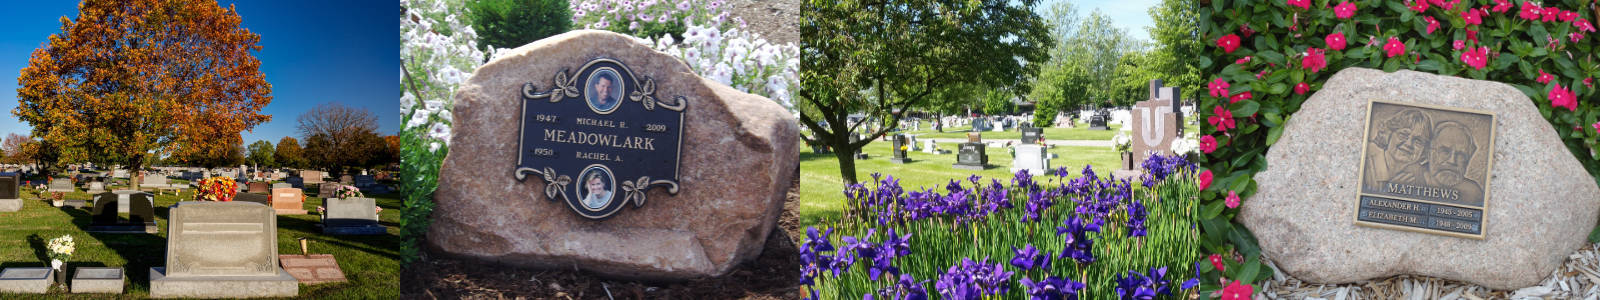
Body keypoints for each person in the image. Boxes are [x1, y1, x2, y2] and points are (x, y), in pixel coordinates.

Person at [1364, 109, 1432, 190]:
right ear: (1388, 134)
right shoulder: (1367, 168)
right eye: (1403, 135)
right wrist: (1388, 191)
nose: (1409, 144)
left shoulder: (1420, 179)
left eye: (1418, 141)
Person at [1425, 121, 1483, 205]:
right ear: (1429, 153)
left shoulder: (1474, 194)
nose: (1452, 161)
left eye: (1461, 155)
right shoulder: (1410, 177)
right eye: (1444, 151)